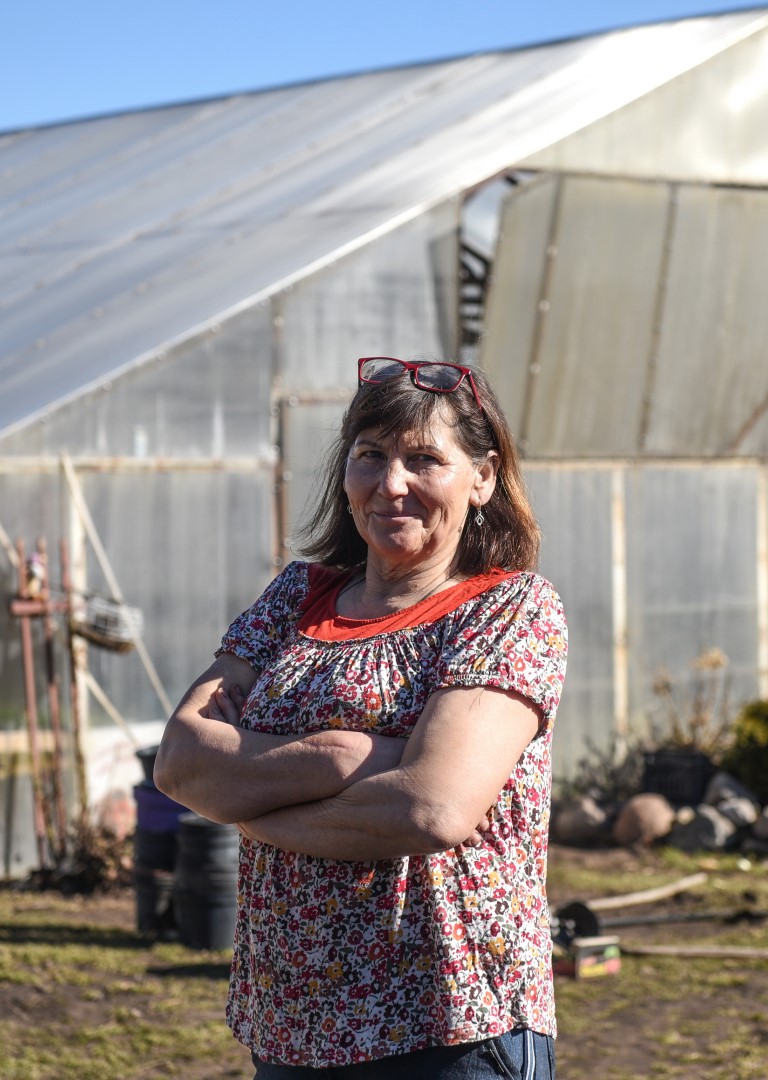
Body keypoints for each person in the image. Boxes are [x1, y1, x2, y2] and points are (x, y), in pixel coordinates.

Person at [154, 356, 568, 1078]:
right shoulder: (296, 598)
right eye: (370, 455)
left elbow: (431, 808)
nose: (391, 483)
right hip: (292, 1020)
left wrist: (251, 810)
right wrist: (341, 756)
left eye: (424, 460)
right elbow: (182, 763)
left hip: (447, 1021)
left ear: (483, 478)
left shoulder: (508, 610)